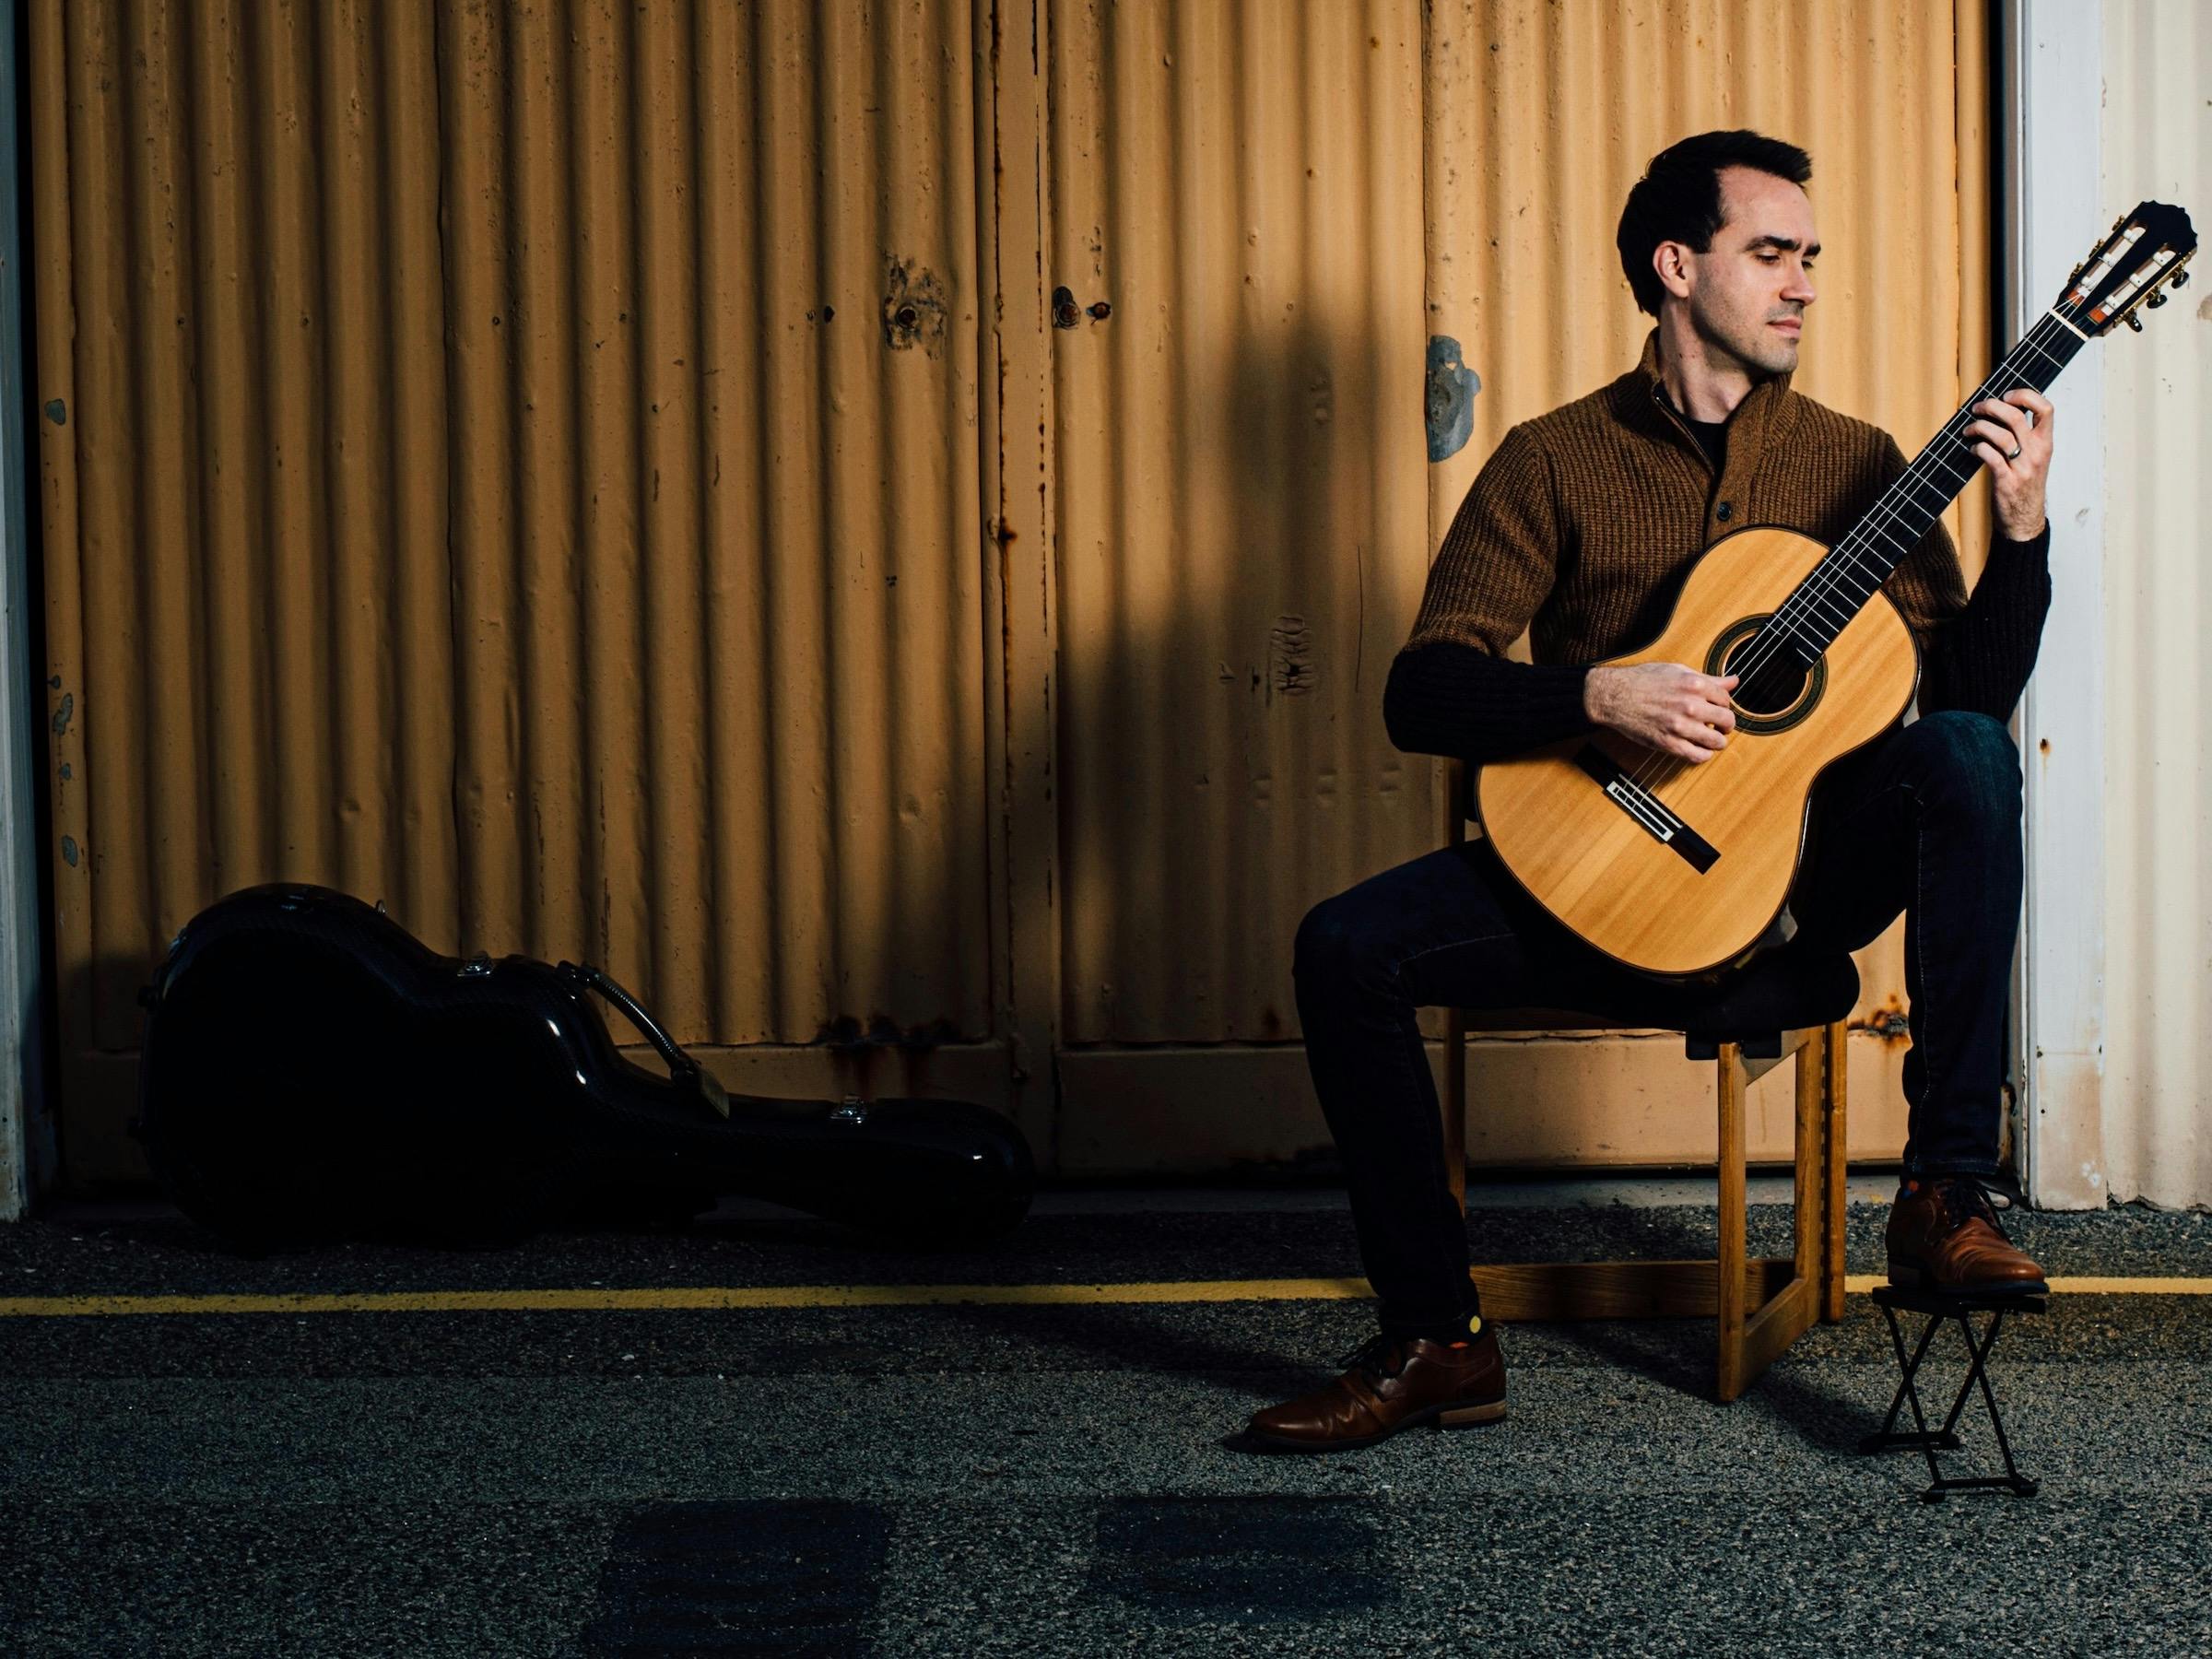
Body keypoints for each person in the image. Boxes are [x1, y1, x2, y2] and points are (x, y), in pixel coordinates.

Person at [1239, 130, 2055, 1454]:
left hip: (1790, 897)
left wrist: (2019, 538)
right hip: (1601, 882)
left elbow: (1970, 705)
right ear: (1677, 267)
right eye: (1770, 254)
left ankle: (1943, 1194)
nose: (1801, 285)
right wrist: (1593, 697)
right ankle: (1437, 1341)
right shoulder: (1553, 458)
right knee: (1342, 946)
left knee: (1965, 757)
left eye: (1811, 260)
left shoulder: (1865, 468)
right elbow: (1421, 693)